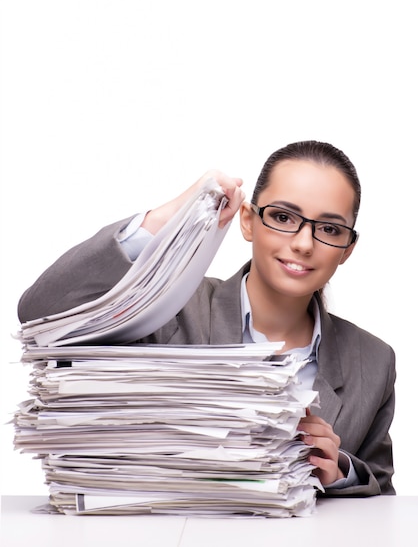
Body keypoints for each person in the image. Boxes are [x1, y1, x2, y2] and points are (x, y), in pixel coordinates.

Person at [17, 140, 396, 497]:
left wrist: (341, 469)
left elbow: (383, 500)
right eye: (283, 217)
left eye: (329, 229)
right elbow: (41, 311)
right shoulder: (170, 312)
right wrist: (173, 216)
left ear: (347, 248)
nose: (303, 243)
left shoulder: (373, 362)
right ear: (247, 221)